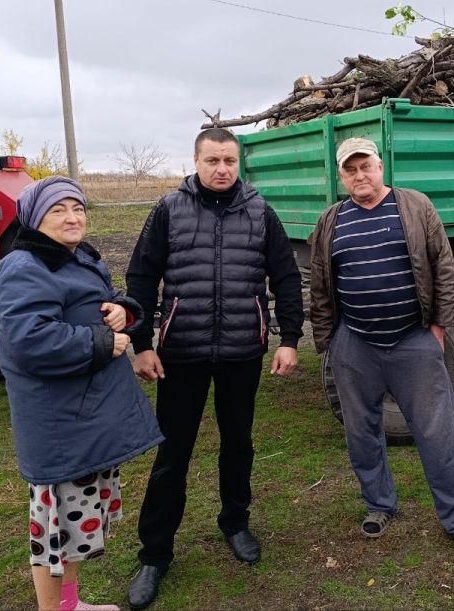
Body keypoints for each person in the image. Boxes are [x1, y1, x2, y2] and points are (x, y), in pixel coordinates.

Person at [125, 127, 304, 609]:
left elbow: (286, 277)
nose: (221, 169)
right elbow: (141, 276)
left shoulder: (260, 211)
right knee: (172, 456)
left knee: (238, 443)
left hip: (242, 351)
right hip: (180, 353)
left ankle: (236, 523)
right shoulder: (168, 209)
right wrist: (142, 344)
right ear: (196, 161)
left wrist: (289, 339)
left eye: (229, 160)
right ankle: (155, 553)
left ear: (238, 162)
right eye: (212, 161)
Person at [0, 176, 163, 611]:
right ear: (34, 218)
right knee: (54, 533)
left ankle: (70, 605)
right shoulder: (23, 268)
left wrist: (125, 311)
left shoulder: (74, 258)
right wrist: (104, 343)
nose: (72, 217)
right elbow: (29, 341)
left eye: (78, 208)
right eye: (58, 210)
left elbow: (97, 306)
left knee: (72, 529)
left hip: (84, 417)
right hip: (60, 424)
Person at [308, 137, 454, 563]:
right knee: (361, 431)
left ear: (380, 166)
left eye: (364, 166)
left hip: (412, 339)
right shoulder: (331, 220)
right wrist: (329, 344)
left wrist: (440, 327)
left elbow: (443, 267)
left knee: (438, 431)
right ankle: (379, 504)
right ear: (340, 176)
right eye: (349, 170)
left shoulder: (414, 206)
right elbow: (319, 285)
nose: (359, 175)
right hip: (355, 344)